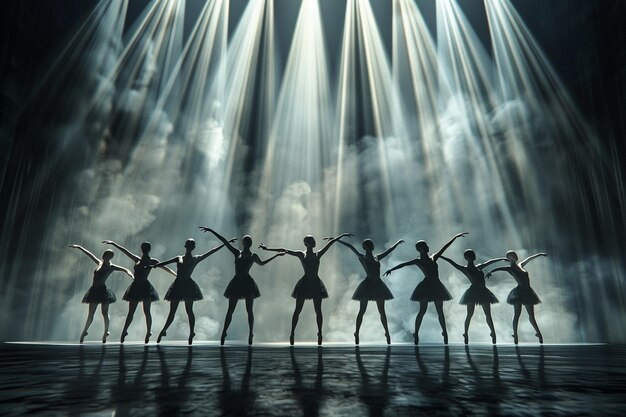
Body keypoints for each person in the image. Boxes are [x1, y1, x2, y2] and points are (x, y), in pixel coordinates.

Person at [260, 233, 352, 345]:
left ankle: (319, 333)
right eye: (311, 241)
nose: (314, 242)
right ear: (306, 243)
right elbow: (284, 249)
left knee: (318, 310)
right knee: (298, 309)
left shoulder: (318, 254)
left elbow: (330, 244)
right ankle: (292, 333)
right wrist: (267, 248)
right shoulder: (301, 254)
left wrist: (341, 236)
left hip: (316, 284)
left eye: (313, 240)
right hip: (304, 284)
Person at [199, 227, 285, 345]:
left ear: (250, 244)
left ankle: (250, 333)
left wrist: (276, 256)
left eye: (248, 241)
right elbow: (224, 241)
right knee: (230, 310)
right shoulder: (237, 253)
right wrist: (211, 230)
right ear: (243, 243)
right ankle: (224, 332)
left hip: (247, 283)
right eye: (245, 241)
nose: (247, 243)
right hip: (236, 283)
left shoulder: (253, 255)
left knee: (249, 310)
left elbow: (262, 263)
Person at [384, 232, 468, 344]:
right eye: (425, 246)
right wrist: (391, 269)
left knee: (440, 311)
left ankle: (444, 332)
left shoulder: (434, 257)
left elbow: (444, 247)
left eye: (426, 245)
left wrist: (455, 237)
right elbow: (404, 264)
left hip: (437, 285)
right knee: (422, 311)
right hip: (426, 286)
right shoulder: (418, 261)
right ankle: (416, 333)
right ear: (420, 249)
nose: (428, 247)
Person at [150, 237, 234, 345]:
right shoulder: (179, 258)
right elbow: (164, 263)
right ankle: (164, 330)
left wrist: (225, 243)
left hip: (188, 286)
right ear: (185, 246)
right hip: (178, 286)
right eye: (188, 244)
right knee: (173, 312)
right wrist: (155, 265)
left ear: (193, 247)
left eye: (191, 245)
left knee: (189, 311)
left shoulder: (195, 259)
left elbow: (211, 252)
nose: (189, 246)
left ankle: (191, 333)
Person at [102, 240, 176, 343]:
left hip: (145, 287)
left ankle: (148, 332)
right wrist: (113, 244)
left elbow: (165, 268)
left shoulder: (152, 261)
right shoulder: (137, 259)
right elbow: (125, 251)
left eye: (145, 248)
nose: (144, 250)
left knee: (146, 311)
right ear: (142, 249)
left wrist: (176, 275)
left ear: (148, 250)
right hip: (136, 287)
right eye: (143, 248)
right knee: (131, 312)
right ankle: (124, 331)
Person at [335, 237, 404, 344]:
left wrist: (397, 243)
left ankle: (387, 333)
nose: (370, 246)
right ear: (364, 247)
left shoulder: (377, 257)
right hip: (367, 285)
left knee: (382, 311)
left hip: (378, 285)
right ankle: (357, 332)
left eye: (370, 244)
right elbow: (350, 247)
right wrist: (336, 240)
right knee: (362, 310)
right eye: (367, 245)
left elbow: (389, 250)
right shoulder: (362, 257)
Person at [439, 250, 507, 344]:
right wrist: (440, 256)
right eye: (471, 255)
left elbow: (489, 262)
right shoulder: (465, 269)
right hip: (473, 292)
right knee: (470, 314)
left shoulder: (479, 267)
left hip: (483, 291)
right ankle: (465, 333)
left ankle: (493, 333)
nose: (473, 257)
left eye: (473, 255)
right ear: (467, 258)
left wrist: (501, 258)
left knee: (488, 314)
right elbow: (451, 262)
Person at [70, 244, 133, 343]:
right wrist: (79, 247)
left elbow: (125, 269)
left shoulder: (111, 267)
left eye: (106, 255)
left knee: (104, 312)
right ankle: (84, 332)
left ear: (109, 257)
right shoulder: (100, 263)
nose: (103, 256)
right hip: (94, 291)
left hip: (103, 291)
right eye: (104, 254)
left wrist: (131, 275)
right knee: (91, 314)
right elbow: (90, 255)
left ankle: (106, 331)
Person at [486, 251, 546, 344]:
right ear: (509, 259)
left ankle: (538, 333)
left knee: (531, 315)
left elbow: (529, 258)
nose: (515, 256)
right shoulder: (509, 268)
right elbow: (499, 268)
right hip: (519, 292)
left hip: (528, 292)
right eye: (513, 256)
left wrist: (540, 254)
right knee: (517, 314)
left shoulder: (520, 265)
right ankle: (515, 333)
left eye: (515, 255)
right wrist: (490, 272)